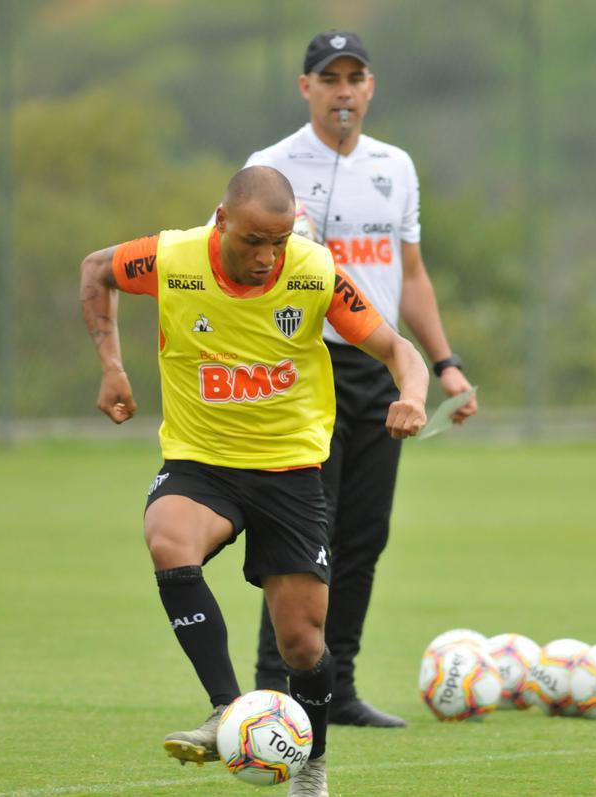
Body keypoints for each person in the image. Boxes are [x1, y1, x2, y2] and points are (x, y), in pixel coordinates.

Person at [79, 165, 429, 796]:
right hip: (202, 461)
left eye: (279, 241)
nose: (267, 257)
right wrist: (111, 366)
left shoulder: (314, 272)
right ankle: (227, 707)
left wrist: (414, 394)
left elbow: (398, 349)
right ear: (222, 221)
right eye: (253, 242)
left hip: (291, 471)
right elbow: (96, 270)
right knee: (167, 538)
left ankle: (312, 766)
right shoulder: (172, 257)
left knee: (301, 643)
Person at [240, 30, 478, 728]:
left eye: (355, 78)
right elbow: (239, 264)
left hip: (380, 370)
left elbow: (411, 276)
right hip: (302, 370)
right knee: (302, 535)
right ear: (305, 86)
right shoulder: (271, 166)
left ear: (371, 88)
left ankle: (333, 688)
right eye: (329, 78)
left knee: (364, 535)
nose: (343, 91)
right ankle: (272, 689)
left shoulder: (395, 167)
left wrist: (444, 363)